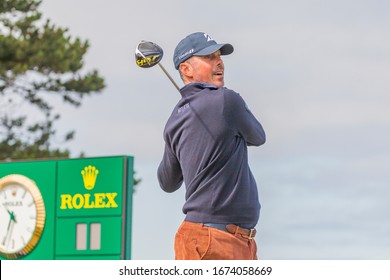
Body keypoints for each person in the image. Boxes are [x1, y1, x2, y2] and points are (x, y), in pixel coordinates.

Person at [157, 32, 266, 260]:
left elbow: (167, 182)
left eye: (219, 55)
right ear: (186, 70)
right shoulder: (227, 100)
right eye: (209, 57)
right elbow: (257, 136)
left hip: (228, 240)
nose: (219, 62)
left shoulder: (174, 121)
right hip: (213, 239)